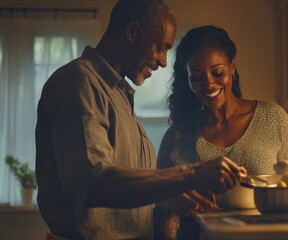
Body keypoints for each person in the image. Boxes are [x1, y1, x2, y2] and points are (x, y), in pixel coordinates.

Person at [35, 1, 245, 239]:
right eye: (160, 47)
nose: (164, 61)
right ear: (133, 31)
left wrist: (164, 199)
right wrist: (192, 173)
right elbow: (94, 183)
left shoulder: (118, 95)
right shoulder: (79, 83)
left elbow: (119, 199)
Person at [156, 25, 288, 240]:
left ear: (232, 68)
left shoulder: (273, 118)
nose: (208, 84)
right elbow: (161, 207)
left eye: (217, 72)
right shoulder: (177, 136)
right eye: (196, 77)